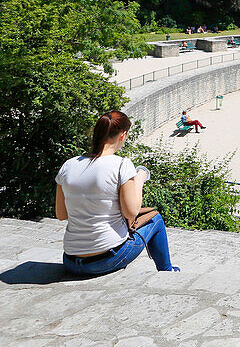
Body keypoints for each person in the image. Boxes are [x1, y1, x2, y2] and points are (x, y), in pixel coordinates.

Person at [56, 111, 179, 275]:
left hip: (71, 261)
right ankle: (167, 270)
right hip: (105, 260)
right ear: (123, 135)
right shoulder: (121, 164)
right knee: (154, 218)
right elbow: (131, 212)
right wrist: (140, 179)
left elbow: (61, 214)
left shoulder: (68, 165)